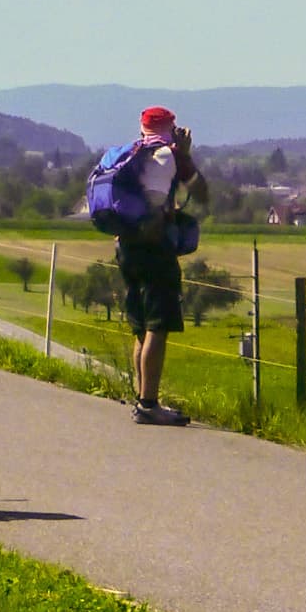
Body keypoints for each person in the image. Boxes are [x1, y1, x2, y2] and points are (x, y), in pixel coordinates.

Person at [118, 105, 208, 425]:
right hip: (154, 250)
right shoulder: (167, 156)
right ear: (169, 128)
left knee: (141, 327)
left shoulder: (131, 153)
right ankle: (149, 404)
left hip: (126, 248)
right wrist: (184, 154)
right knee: (158, 325)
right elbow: (201, 192)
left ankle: (142, 397)